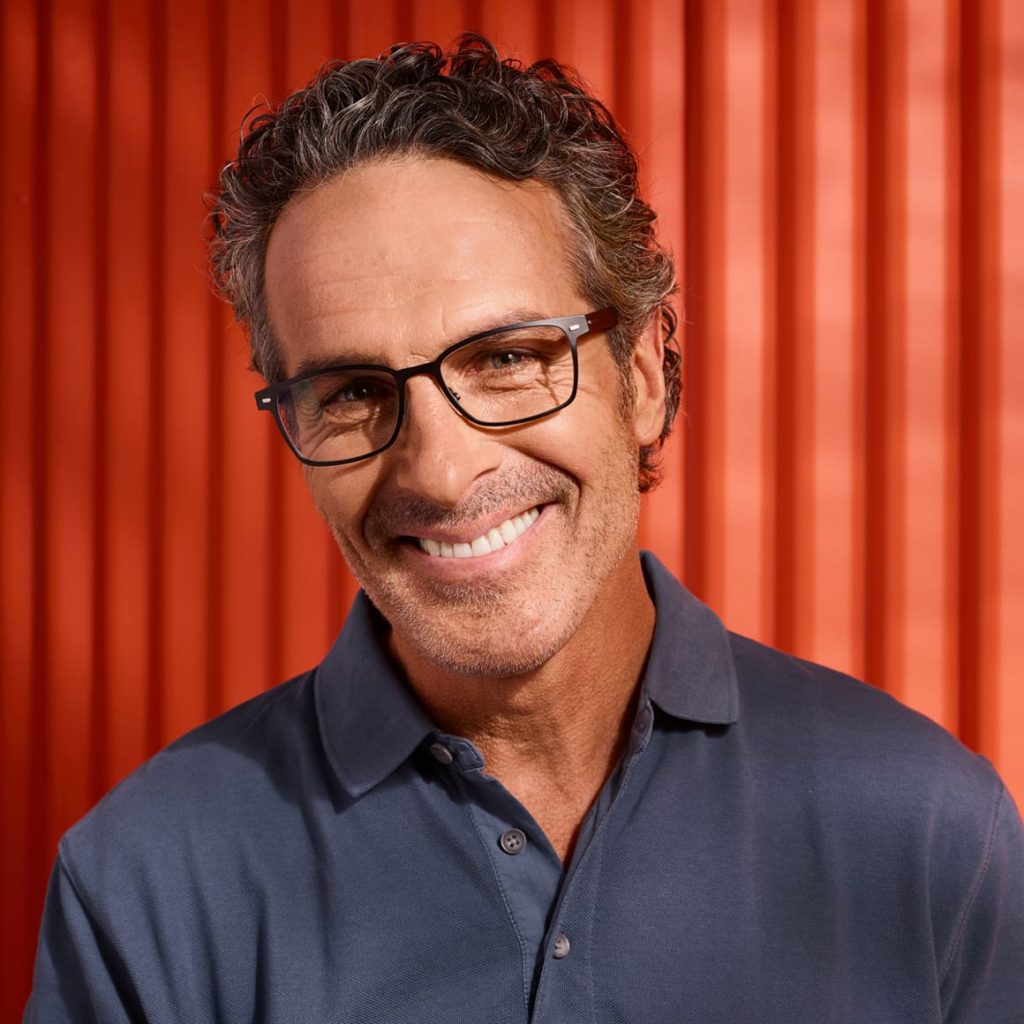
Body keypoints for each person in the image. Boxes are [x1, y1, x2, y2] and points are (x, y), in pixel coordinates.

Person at [26, 36, 1023, 1024]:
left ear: (641, 378)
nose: (441, 470)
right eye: (354, 391)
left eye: (505, 357)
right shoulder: (141, 887)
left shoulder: (930, 832)